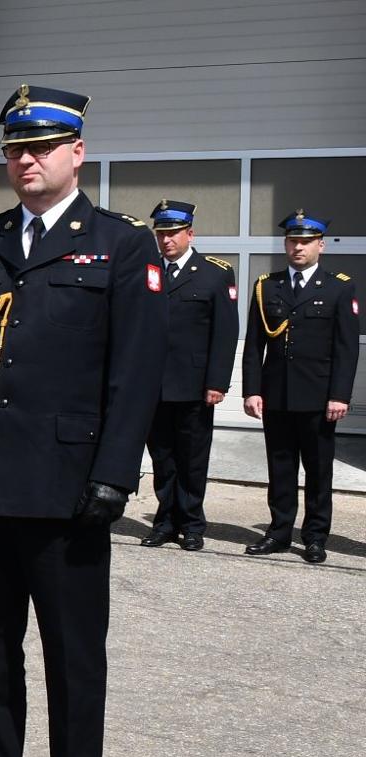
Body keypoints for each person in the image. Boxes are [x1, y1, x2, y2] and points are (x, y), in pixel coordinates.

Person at [0, 84, 166, 757]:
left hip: (70, 487)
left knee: (73, 655)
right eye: (16, 149)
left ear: (77, 154)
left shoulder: (120, 244)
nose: (27, 160)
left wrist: (116, 473)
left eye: (42, 147)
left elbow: (135, 374)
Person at [241, 211, 357, 565]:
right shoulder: (267, 286)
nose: (298, 247)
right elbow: (253, 345)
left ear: (320, 245)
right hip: (276, 397)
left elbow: (346, 348)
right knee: (280, 468)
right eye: (293, 241)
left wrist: (339, 395)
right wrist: (252, 390)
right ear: (285, 244)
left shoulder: (338, 286)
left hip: (318, 398)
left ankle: (315, 537)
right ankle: (278, 532)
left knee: (319, 470)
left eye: (306, 242)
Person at [141, 200, 237, 551]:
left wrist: (216, 383)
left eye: (173, 233)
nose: (166, 240)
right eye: (161, 233)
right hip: (154, 385)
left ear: (190, 233)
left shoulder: (214, 272)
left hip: (194, 385)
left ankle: (193, 524)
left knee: (192, 459)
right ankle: (165, 521)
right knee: (162, 458)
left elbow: (225, 332)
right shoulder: (147, 271)